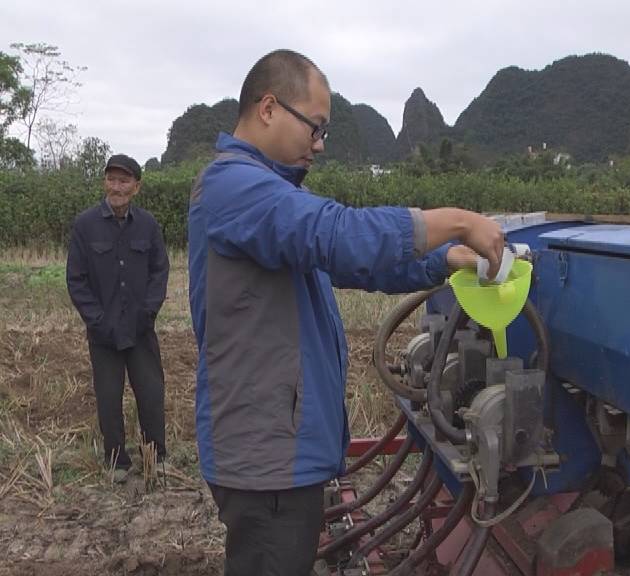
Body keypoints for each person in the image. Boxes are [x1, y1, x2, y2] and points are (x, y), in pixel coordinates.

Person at [187, 49, 504, 576]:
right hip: (267, 459)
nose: (319, 144)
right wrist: (454, 222)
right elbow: (338, 234)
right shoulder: (233, 187)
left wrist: (442, 260)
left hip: (280, 450)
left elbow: (353, 262)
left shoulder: (266, 195)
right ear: (268, 108)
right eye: (314, 127)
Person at [67, 154, 170, 482]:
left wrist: (149, 312)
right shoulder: (85, 225)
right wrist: (97, 320)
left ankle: (157, 457)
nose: (117, 186)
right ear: (104, 183)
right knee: (109, 399)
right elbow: (76, 280)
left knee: (151, 393)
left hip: (140, 330)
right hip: (103, 333)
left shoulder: (148, 225)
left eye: (124, 180)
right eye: (112, 179)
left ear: (136, 187)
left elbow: (159, 271)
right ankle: (117, 463)